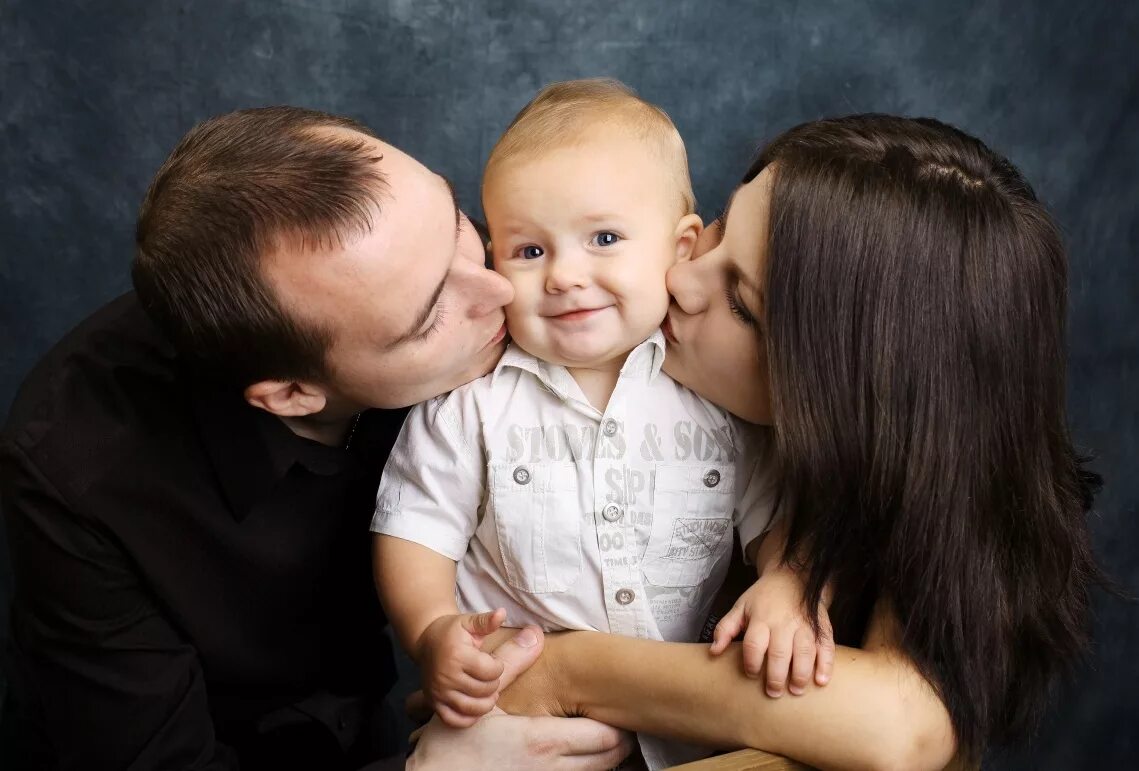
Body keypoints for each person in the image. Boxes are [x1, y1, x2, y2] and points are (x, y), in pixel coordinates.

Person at [0, 106, 631, 771]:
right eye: (428, 316)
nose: (501, 288)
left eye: (453, 225)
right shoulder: (73, 466)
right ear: (292, 395)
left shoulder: (418, 262)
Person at [490, 114, 1105, 770]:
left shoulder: (927, 499)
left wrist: (565, 668)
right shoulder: (569, 341)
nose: (680, 280)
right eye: (719, 230)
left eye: (743, 307)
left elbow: (902, 725)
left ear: (850, 388)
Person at [370, 79, 829, 770]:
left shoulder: (714, 395)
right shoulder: (468, 402)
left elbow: (772, 517)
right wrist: (434, 630)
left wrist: (786, 583)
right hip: (511, 720)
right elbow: (414, 529)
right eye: (528, 251)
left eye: (604, 238)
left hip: (681, 723)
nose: (562, 276)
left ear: (679, 247)